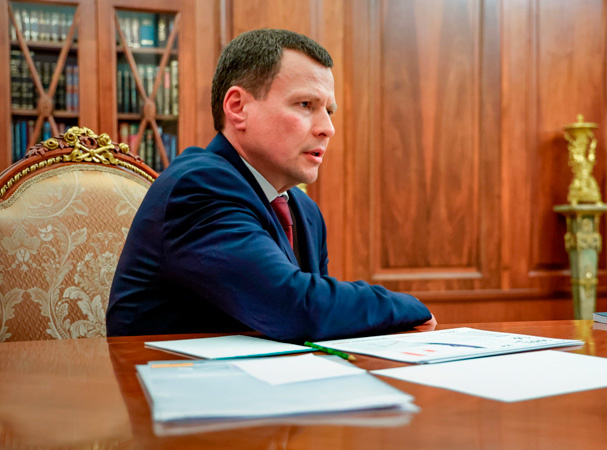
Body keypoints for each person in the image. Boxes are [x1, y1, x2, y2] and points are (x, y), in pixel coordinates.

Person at [106, 28, 436, 341]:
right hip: (168, 378)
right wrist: (409, 305)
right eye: (305, 105)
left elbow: (318, 319)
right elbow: (295, 308)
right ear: (237, 108)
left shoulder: (304, 210)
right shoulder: (198, 187)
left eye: (329, 110)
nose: (328, 128)